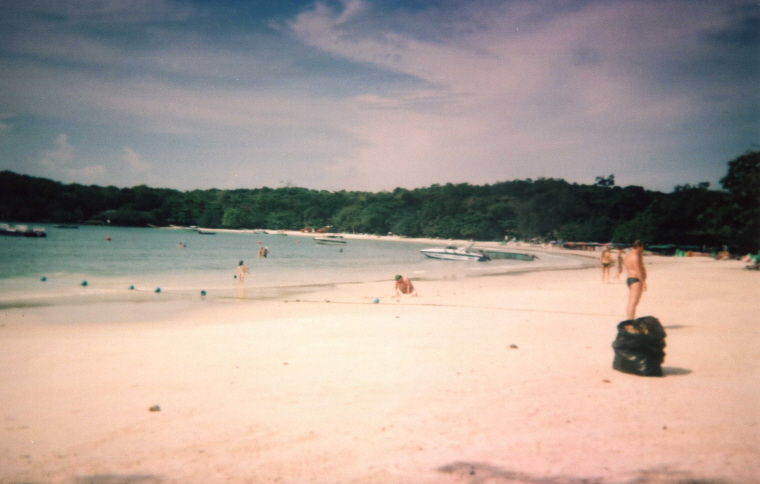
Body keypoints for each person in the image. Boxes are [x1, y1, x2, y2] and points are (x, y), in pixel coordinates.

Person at [623, 240, 647, 320]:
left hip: (630, 279)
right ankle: (630, 322)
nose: (643, 249)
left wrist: (640, 254)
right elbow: (638, 270)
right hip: (636, 280)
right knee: (632, 303)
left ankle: (630, 320)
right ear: (639, 247)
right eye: (643, 247)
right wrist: (643, 282)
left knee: (631, 303)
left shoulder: (628, 255)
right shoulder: (635, 256)